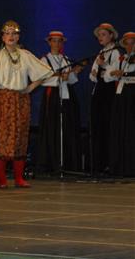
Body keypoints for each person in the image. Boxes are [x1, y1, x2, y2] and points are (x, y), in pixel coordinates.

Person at [0, 21, 53, 188]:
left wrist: (31, 87)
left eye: (14, 34)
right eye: (8, 34)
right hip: (4, 99)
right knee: (3, 138)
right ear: (3, 37)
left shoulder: (24, 55)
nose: (11, 37)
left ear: (18, 37)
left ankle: (18, 177)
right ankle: (2, 179)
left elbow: (44, 72)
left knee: (20, 136)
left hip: (21, 99)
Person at [37, 31, 83, 174]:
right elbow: (42, 79)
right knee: (53, 126)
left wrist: (73, 74)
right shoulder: (44, 60)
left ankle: (67, 161)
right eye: (54, 41)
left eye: (59, 41)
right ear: (49, 42)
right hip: (53, 95)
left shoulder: (66, 59)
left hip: (66, 95)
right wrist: (59, 78)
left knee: (66, 126)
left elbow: (72, 80)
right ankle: (51, 161)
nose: (57, 44)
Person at [89, 23, 121, 175]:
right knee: (98, 125)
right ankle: (99, 162)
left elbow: (113, 74)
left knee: (108, 125)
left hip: (109, 92)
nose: (100, 38)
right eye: (99, 35)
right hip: (100, 91)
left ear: (111, 36)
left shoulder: (115, 52)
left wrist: (105, 66)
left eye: (103, 35)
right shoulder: (101, 52)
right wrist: (96, 73)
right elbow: (93, 75)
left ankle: (110, 162)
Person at [107, 32, 135, 177]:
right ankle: (121, 165)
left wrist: (122, 74)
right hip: (122, 95)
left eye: (133, 43)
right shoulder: (122, 58)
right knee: (122, 128)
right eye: (127, 44)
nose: (130, 46)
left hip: (132, 96)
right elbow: (108, 75)